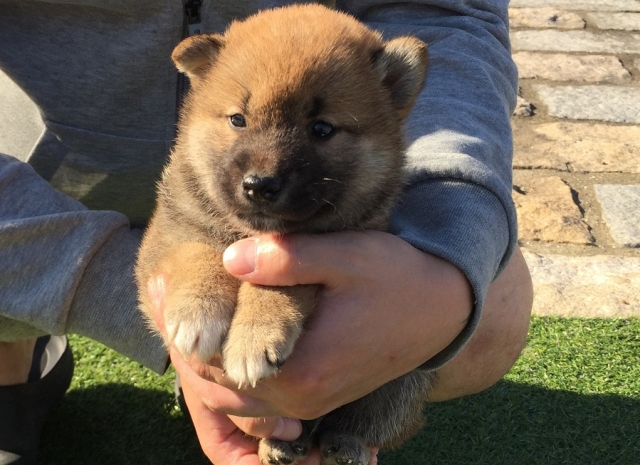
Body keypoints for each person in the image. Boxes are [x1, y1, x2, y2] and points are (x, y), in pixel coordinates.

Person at [0, 0, 533, 464]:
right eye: (239, 120)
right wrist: (131, 289)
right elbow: (173, 247)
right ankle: (14, 359)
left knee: (490, 305)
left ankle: (342, 429)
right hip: (40, 179)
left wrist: (449, 244)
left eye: (321, 130)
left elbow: (447, 13)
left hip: (336, 181)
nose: (265, 170)